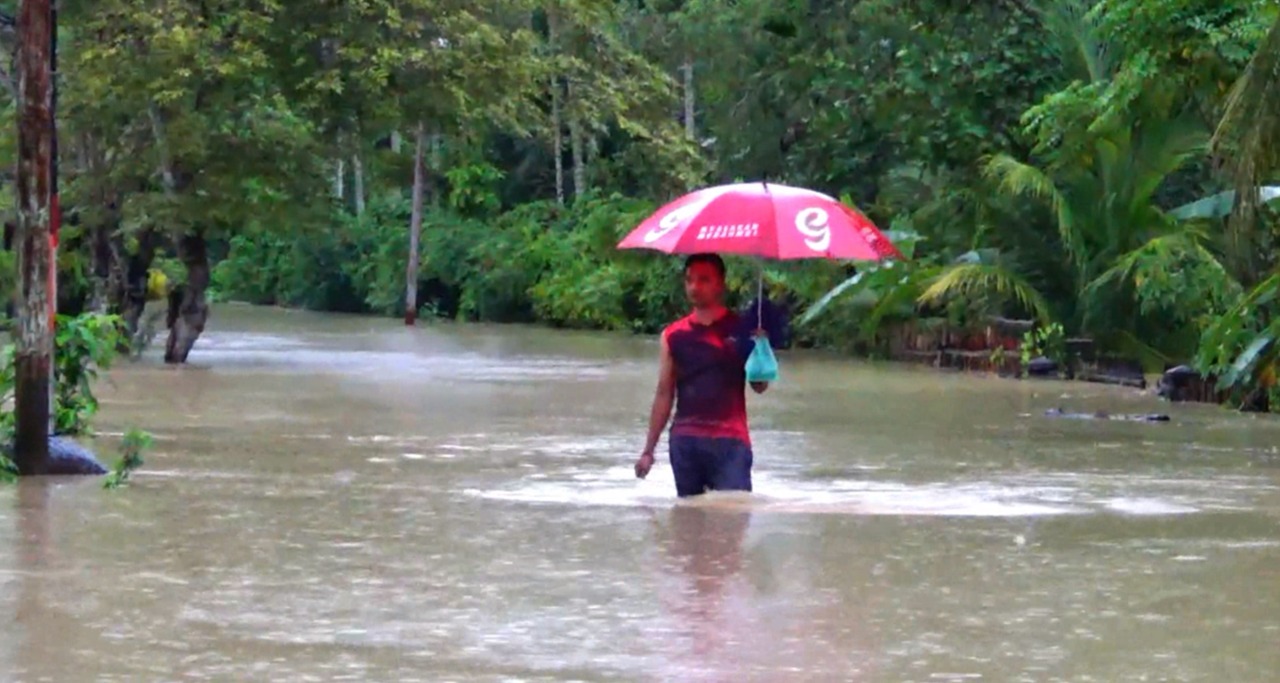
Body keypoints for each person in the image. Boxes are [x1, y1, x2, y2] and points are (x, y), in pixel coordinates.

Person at [635, 253, 769, 497]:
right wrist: (648, 450)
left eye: (704, 280)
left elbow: (759, 386)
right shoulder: (673, 335)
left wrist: (759, 348)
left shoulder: (742, 330)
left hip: (730, 441)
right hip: (685, 441)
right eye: (689, 280)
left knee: (732, 520)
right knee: (687, 524)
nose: (695, 287)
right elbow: (665, 393)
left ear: (721, 284)